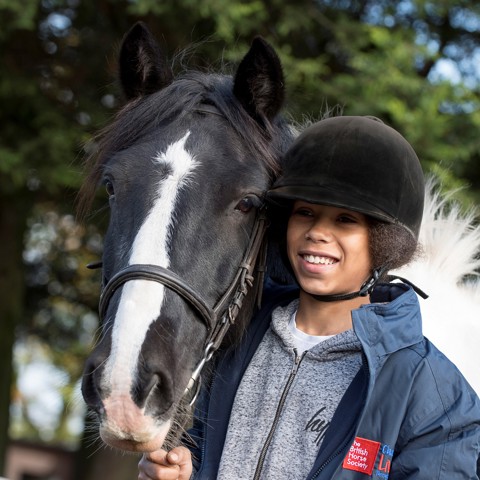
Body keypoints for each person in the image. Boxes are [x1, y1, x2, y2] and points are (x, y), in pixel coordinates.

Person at [138, 116, 480, 480]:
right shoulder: (229, 340)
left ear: (384, 243)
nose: (317, 232)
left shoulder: (438, 397)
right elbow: (197, 451)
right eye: (305, 213)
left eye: (345, 220)